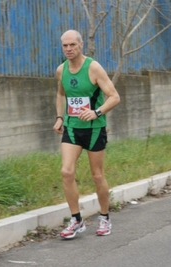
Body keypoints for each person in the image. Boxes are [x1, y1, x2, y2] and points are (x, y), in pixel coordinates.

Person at [53, 29, 120, 239]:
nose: (69, 49)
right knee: (66, 172)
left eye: (72, 45)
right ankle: (76, 220)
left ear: (81, 45)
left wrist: (96, 112)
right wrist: (59, 118)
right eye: (65, 45)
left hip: (94, 130)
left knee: (97, 175)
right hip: (72, 129)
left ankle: (104, 216)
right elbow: (60, 93)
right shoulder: (61, 70)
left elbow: (114, 97)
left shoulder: (93, 68)